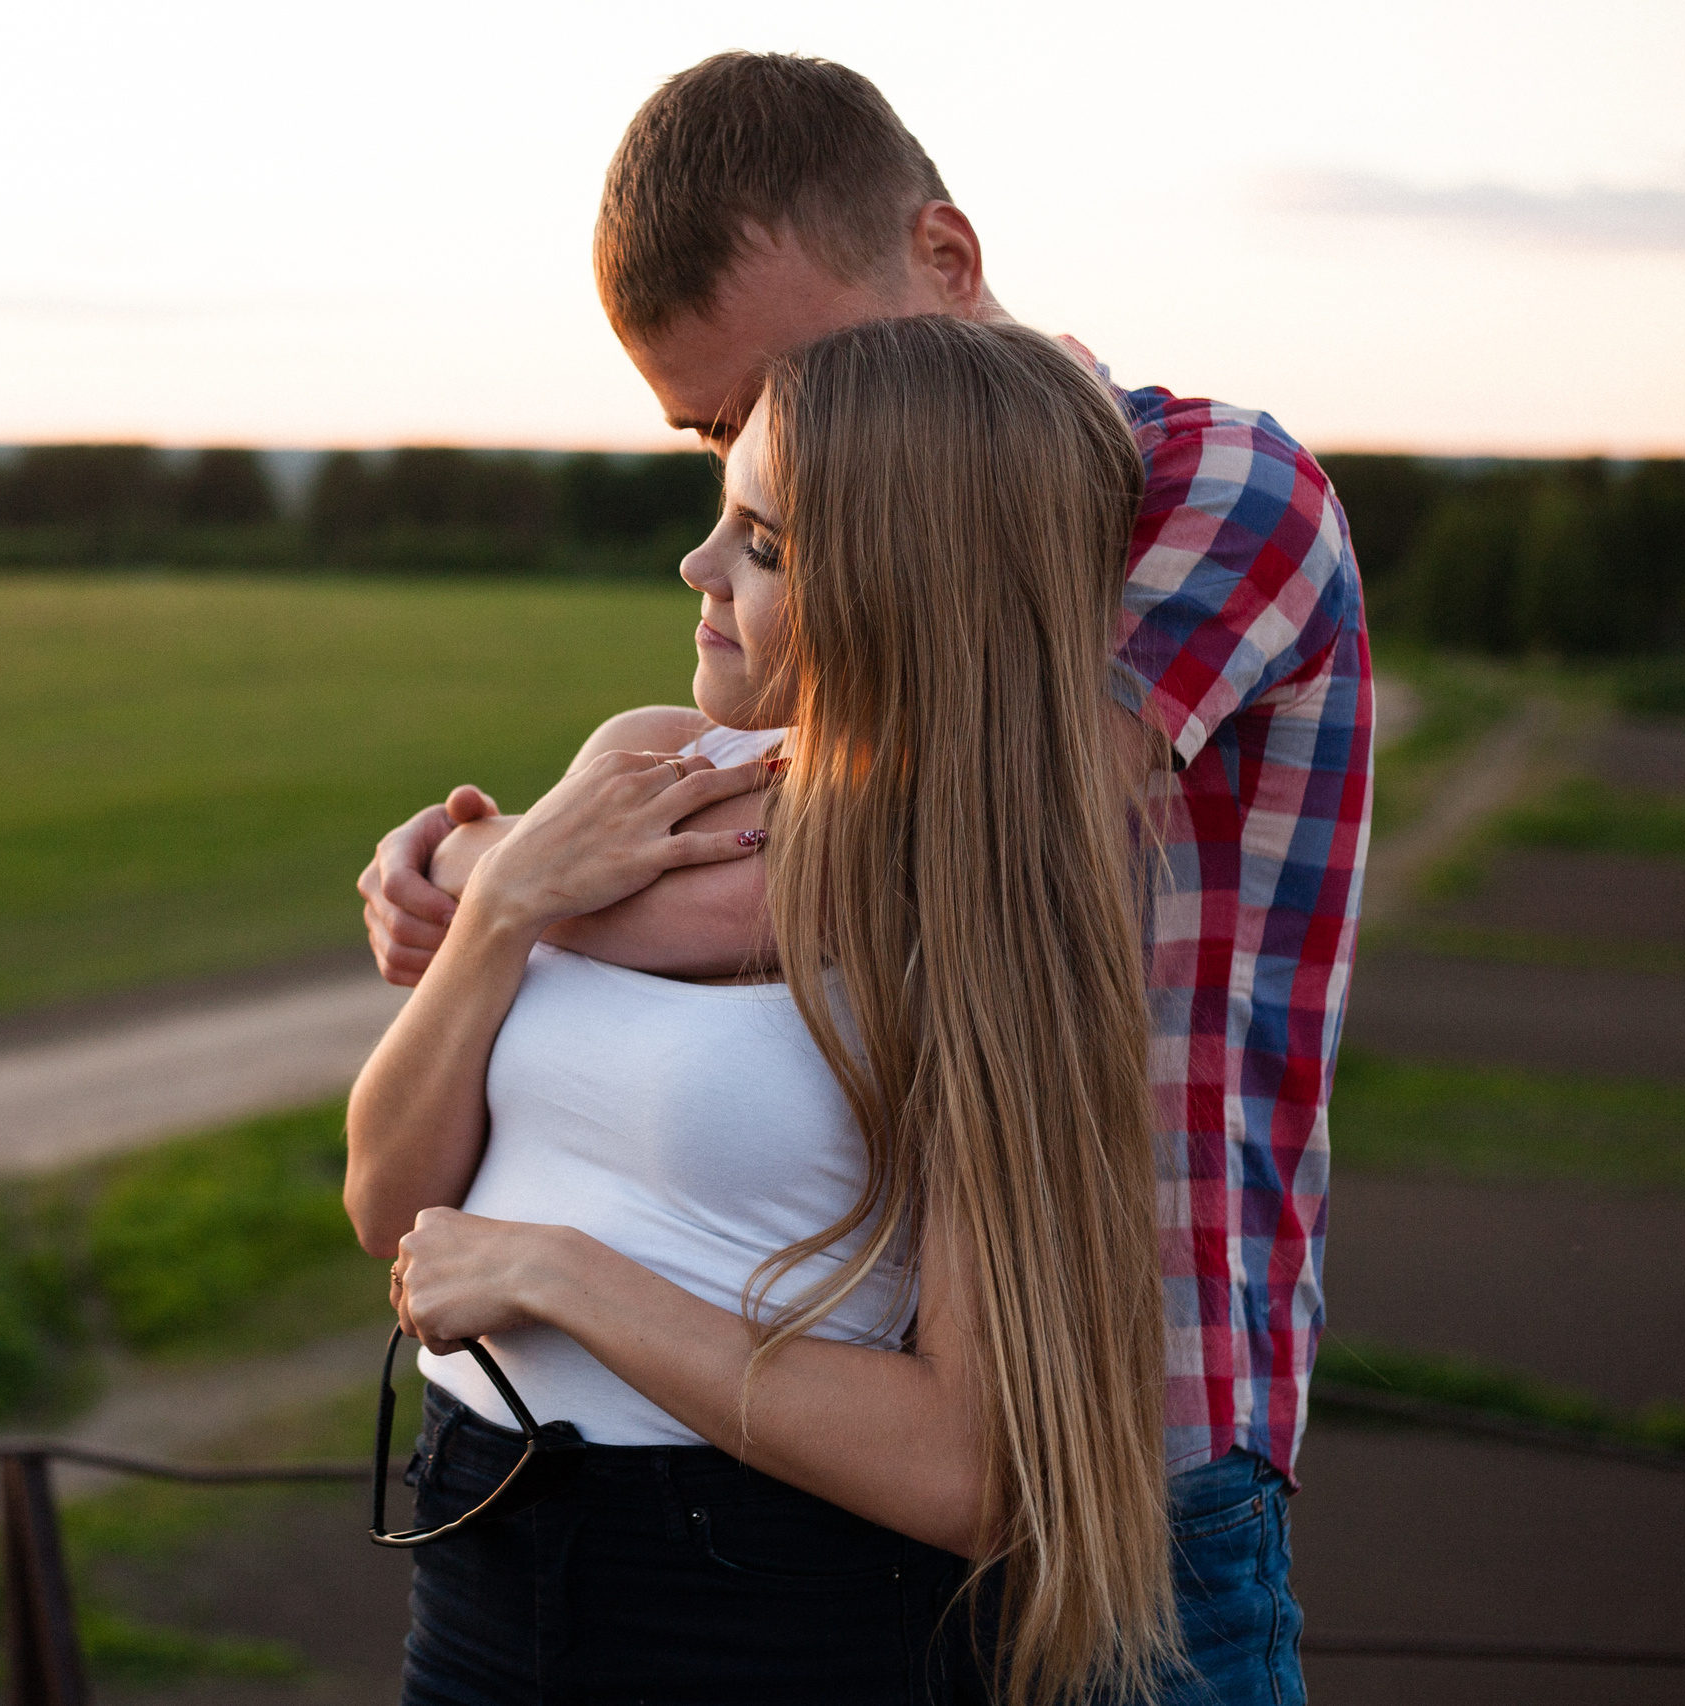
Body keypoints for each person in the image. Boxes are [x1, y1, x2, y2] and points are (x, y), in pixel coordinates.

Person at [357, 53, 1370, 1706]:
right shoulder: (843, 545)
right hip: (808, 1462)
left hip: (1142, 1425)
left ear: (948, 261)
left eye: (792, 385)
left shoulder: (1206, 486)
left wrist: (495, 865)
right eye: (719, 435)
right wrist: (517, 883)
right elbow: (748, 812)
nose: (774, 456)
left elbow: (881, 858)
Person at [350, 315, 1176, 1705]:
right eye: (723, 518)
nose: (697, 566)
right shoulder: (643, 766)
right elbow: (389, 1202)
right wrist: (499, 906)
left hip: (760, 1598)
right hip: (480, 1538)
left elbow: (964, 1466)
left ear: (909, 591)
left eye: (767, 546)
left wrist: (566, 1275)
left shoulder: (978, 909)